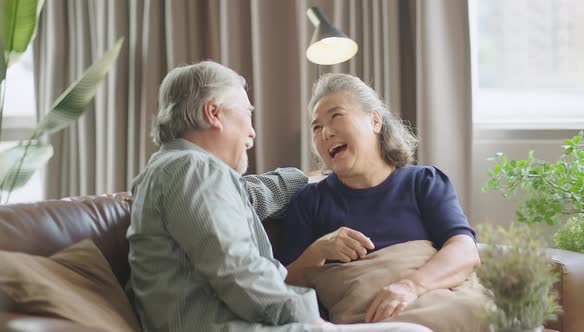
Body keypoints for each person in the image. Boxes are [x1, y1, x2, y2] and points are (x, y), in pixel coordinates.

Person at [127, 61, 432, 332]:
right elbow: (237, 271)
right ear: (214, 113)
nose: (253, 132)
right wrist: (310, 319)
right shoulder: (192, 170)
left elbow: (251, 195)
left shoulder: (176, 171)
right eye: (247, 113)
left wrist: (307, 178)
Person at [278, 73, 481, 324]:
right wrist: (319, 249)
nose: (325, 133)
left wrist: (409, 287)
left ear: (375, 121)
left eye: (336, 116)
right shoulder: (310, 201)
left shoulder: (423, 182)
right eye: (316, 127)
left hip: (444, 306)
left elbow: (465, 251)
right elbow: (280, 285)